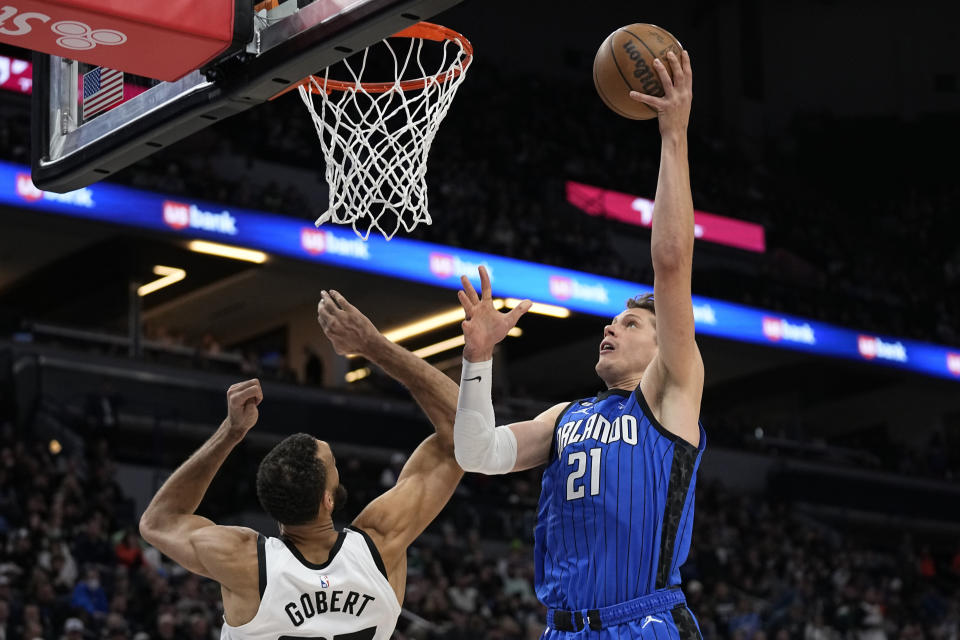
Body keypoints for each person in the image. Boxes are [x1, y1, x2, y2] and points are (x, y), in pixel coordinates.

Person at [452, 50, 706, 638]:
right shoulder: (569, 416)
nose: (610, 328)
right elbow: (476, 454)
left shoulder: (670, 397)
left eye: (631, 324)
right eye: (611, 323)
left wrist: (673, 132)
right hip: (562, 628)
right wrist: (478, 361)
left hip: (639, 622)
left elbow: (670, 265)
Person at [138, 291, 463, 640]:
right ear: (328, 499)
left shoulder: (245, 562)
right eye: (333, 462)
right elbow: (463, 434)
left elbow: (159, 521)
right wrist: (374, 347)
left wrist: (230, 433)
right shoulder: (382, 544)